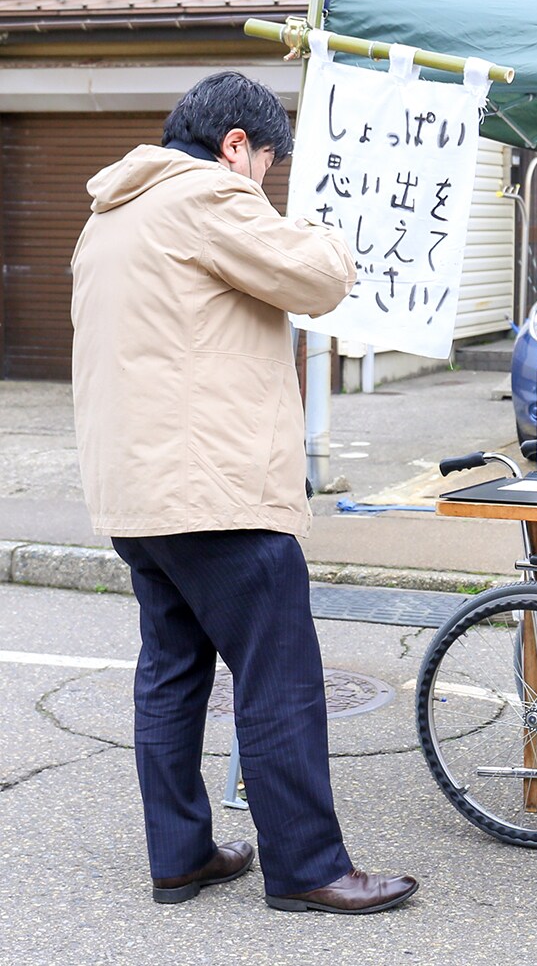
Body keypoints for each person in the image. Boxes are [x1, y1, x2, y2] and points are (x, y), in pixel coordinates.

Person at [70, 71, 418, 913]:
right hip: (216, 491)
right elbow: (319, 279)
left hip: (137, 495)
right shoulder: (207, 199)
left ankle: (181, 856)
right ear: (236, 147)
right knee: (280, 679)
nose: (264, 182)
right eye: (267, 164)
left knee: (172, 675)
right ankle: (307, 868)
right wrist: (325, 226)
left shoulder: (106, 220)